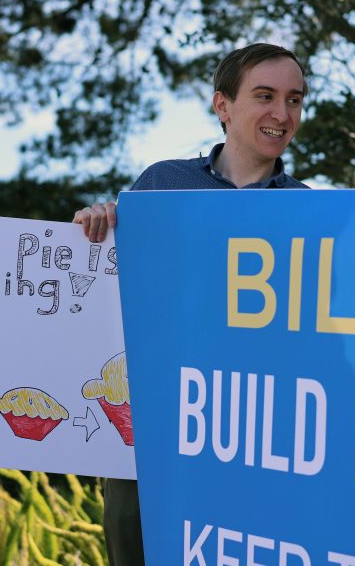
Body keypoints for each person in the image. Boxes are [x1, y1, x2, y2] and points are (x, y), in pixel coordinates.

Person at [74, 43, 309, 565]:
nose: (282, 114)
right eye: (265, 96)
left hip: (248, 438)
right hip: (150, 431)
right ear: (222, 105)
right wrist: (93, 227)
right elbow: (105, 291)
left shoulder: (308, 209)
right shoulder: (160, 184)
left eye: (294, 99)